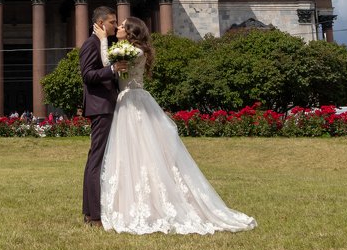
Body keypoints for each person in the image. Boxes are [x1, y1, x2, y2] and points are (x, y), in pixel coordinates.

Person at [96, 17, 257, 234]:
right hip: (127, 102)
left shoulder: (135, 52)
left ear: (132, 32)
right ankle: (132, 200)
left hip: (134, 103)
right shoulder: (128, 49)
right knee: (131, 153)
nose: (119, 28)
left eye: (123, 26)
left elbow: (108, 65)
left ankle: (151, 203)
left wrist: (102, 40)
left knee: (143, 151)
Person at [80, 6, 125, 227]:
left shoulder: (104, 44)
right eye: (112, 22)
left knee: (97, 159)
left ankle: (91, 212)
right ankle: (94, 215)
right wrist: (112, 70)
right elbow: (87, 75)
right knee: (96, 160)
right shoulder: (91, 44)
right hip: (101, 107)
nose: (115, 26)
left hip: (105, 105)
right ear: (100, 23)